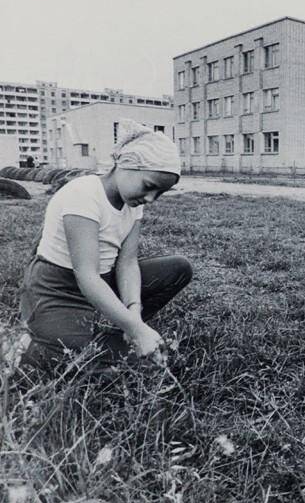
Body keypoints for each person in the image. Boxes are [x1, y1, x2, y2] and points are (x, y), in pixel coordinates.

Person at [16, 119, 193, 371]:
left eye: (160, 193)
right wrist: (135, 329)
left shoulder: (134, 204)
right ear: (125, 164)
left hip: (103, 281)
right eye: (149, 187)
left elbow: (128, 262)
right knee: (97, 361)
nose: (152, 198)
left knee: (179, 268)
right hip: (58, 290)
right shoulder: (83, 194)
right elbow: (86, 275)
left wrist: (134, 311)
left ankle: (115, 326)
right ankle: (38, 339)